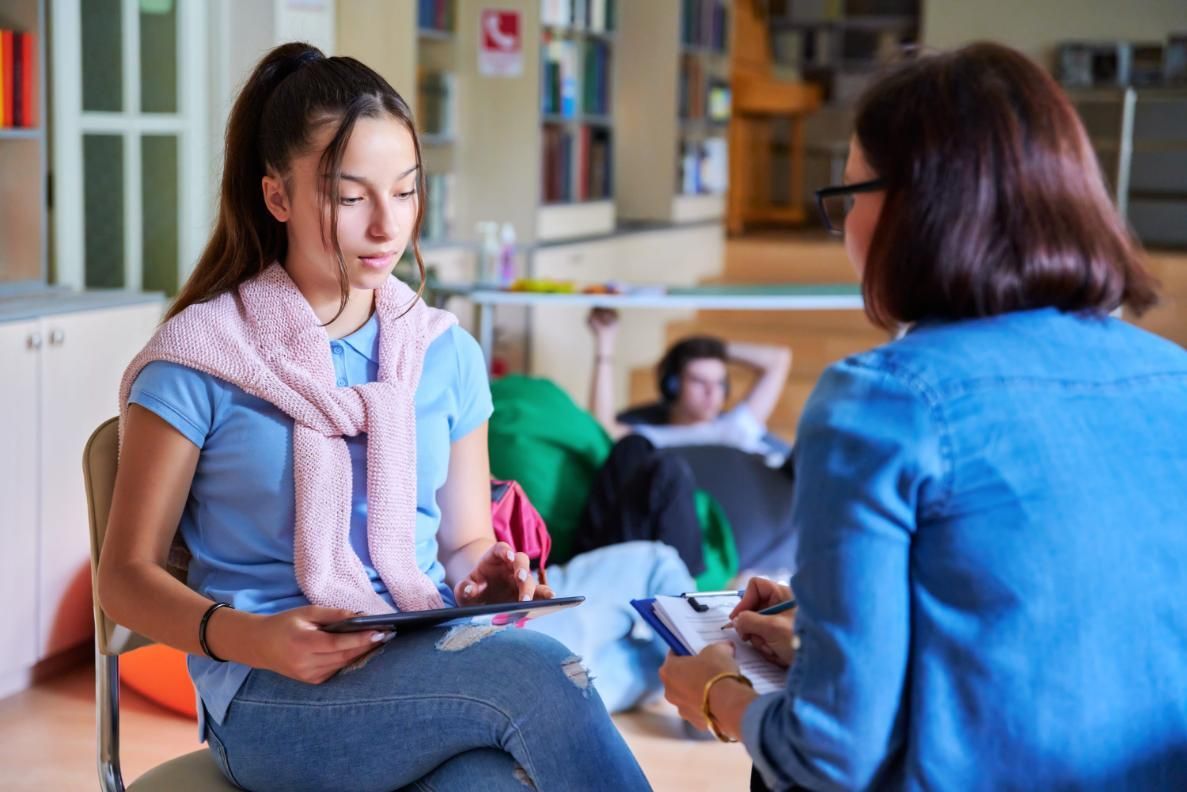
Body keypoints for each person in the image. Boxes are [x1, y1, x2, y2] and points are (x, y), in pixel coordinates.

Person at [97, 42, 651, 791]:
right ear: (277, 197)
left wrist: (483, 579)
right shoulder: (199, 358)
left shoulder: (442, 352)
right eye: (352, 196)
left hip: (416, 660)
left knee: (491, 784)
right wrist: (249, 637)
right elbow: (123, 579)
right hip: (267, 691)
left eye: (407, 191)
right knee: (546, 674)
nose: (387, 225)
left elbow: (461, 542)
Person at [658, 41, 1187, 791]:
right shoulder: (1174, 376)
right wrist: (818, 616)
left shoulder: (883, 400)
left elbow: (831, 755)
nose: (843, 228)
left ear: (913, 206)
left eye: (846, 196)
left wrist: (716, 695)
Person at [587, 308, 792, 458]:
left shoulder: (739, 425)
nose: (712, 392)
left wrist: (714, 349)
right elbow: (600, 429)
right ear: (672, 385)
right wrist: (605, 340)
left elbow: (778, 359)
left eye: (719, 383)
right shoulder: (651, 438)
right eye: (699, 381)